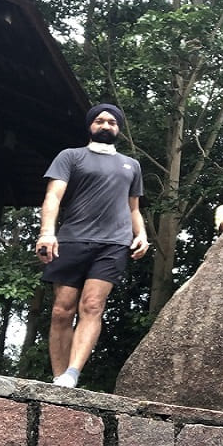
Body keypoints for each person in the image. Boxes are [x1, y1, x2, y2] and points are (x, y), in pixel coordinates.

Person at [35, 103, 149, 388]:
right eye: (100, 121)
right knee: (62, 309)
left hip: (113, 244)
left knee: (93, 305)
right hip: (72, 239)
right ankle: (59, 377)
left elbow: (133, 207)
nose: (106, 125)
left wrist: (142, 234)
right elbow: (53, 197)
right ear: (90, 126)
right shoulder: (71, 157)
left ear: (118, 128)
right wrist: (47, 233)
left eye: (112, 122)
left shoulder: (131, 165)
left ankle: (72, 374)